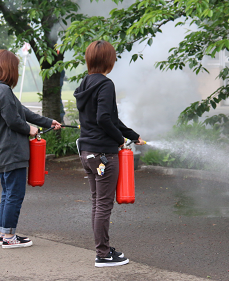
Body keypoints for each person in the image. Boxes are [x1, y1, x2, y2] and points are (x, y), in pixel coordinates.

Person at [0, 49, 61, 249]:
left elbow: (21, 111)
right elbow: (14, 120)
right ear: (8, 68)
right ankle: (8, 237)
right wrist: (30, 130)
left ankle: (4, 233)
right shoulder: (3, 90)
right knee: (14, 194)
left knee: (8, 193)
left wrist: (47, 122)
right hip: (11, 151)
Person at [74, 40, 145, 267]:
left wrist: (132, 135)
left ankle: (102, 249)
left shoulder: (85, 83)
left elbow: (111, 118)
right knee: (103, 205)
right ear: (109, 61)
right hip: (104, 155)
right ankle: (103, 255)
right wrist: (119, 140)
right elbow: (104, 119)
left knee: (98, 203)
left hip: (87, 153)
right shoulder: (105, 84)